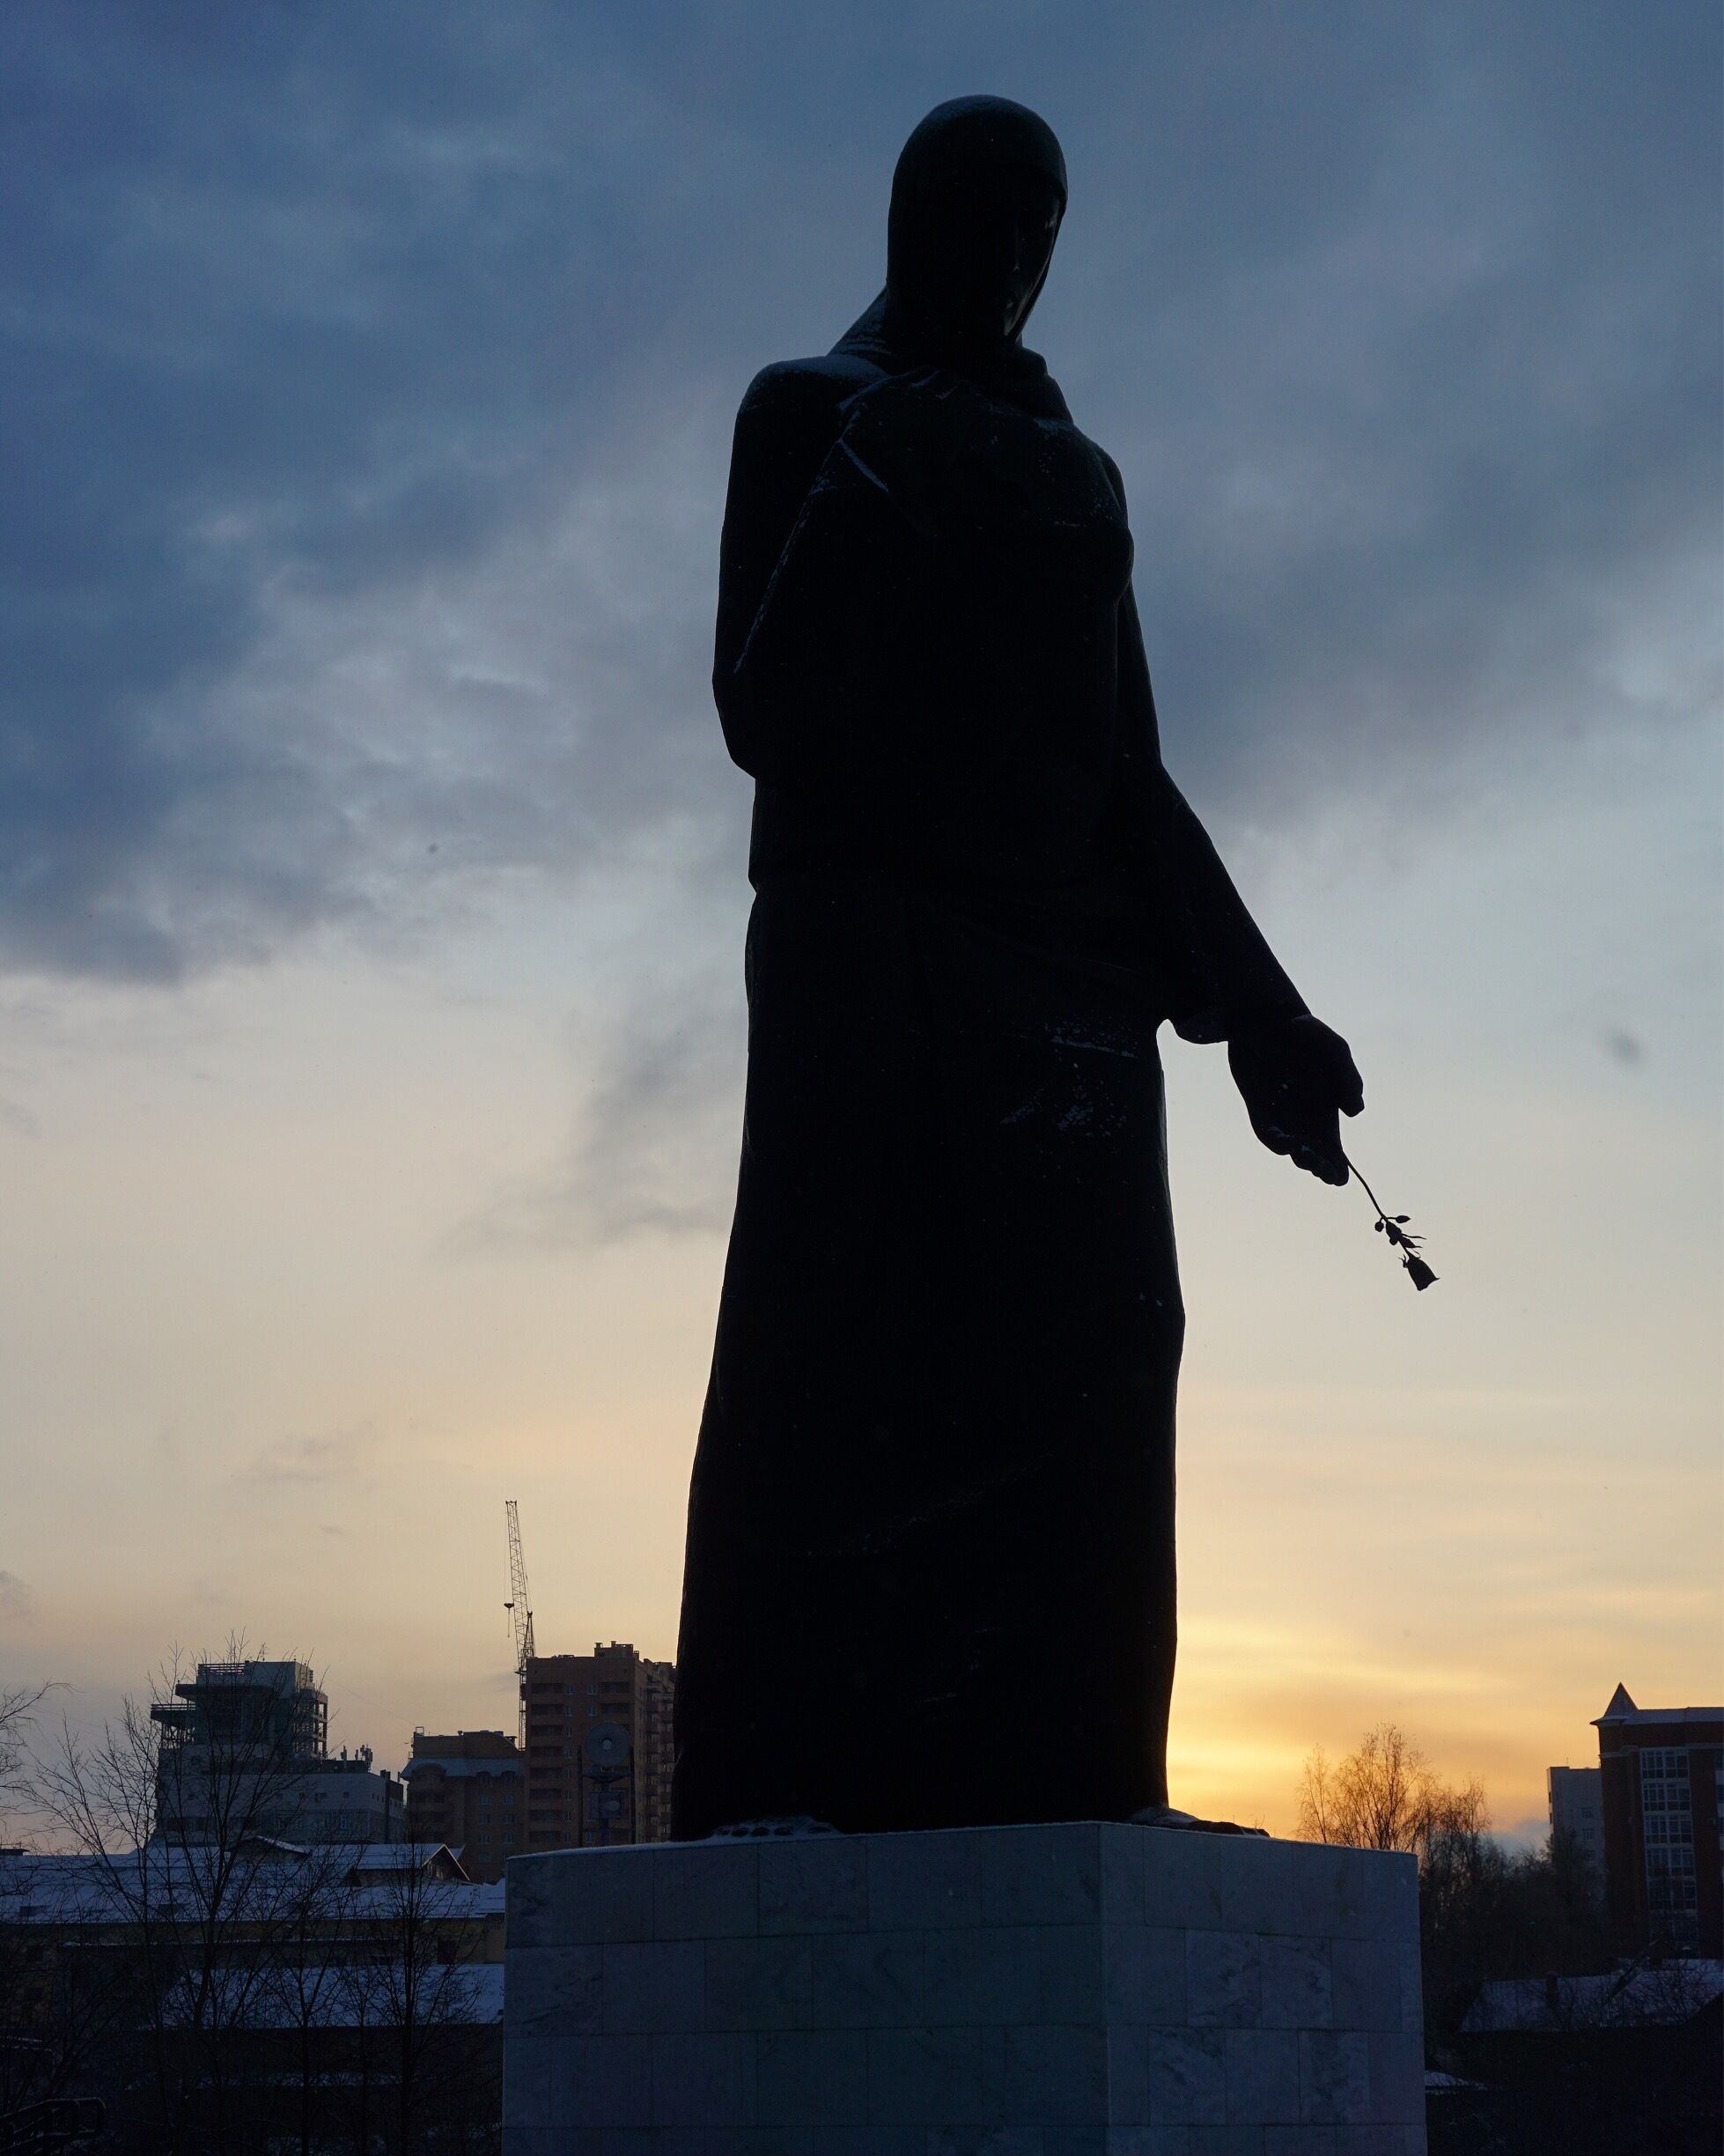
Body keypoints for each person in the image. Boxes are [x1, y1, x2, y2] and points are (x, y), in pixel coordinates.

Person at [671, 96, 1363, 1840]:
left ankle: (1076, 1781)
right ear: (910, 225)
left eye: (1041, 229)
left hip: (1061, 971)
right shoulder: (813, 418)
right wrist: (884, 487)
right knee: (843, 1351)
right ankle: (786, 1780)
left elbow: (1126, 764)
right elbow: (764, 712)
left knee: (1110, 1335)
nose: (1014, 261)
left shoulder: (1068, 470)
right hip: (872, 949)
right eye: (984, 221)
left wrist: (1262, 1017)